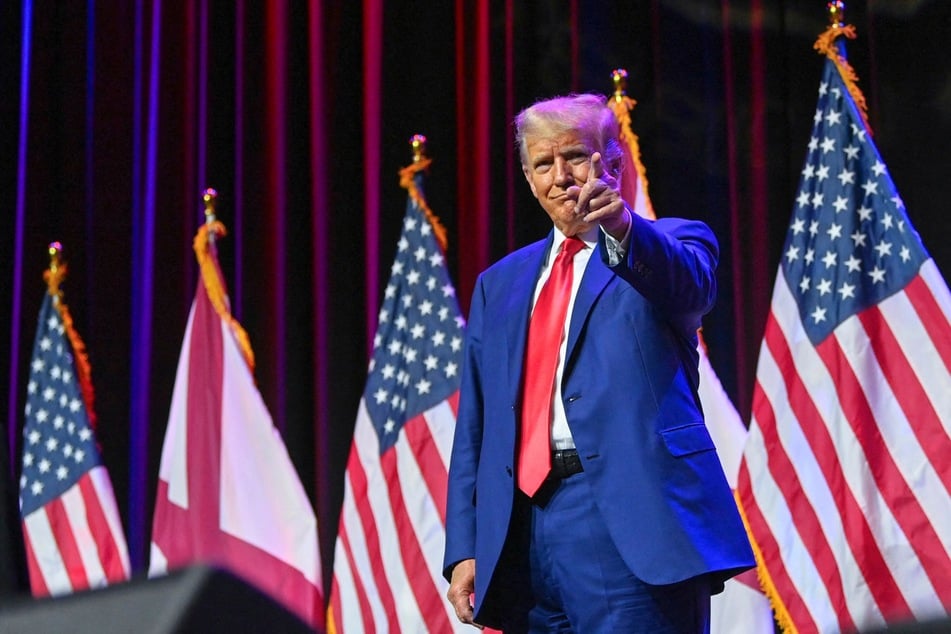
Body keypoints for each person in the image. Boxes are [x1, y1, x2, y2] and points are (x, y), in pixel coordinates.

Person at [443, 93, 755, 633]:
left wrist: (625, 230)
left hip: (628, 521)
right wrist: (465, 546)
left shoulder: (670, 242)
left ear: (612, 162)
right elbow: (476, 427)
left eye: (577, 157)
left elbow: (689, 286)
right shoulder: (500, 285)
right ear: (527, 176)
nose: (561, 176)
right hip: (521, 532)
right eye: (544, 163)